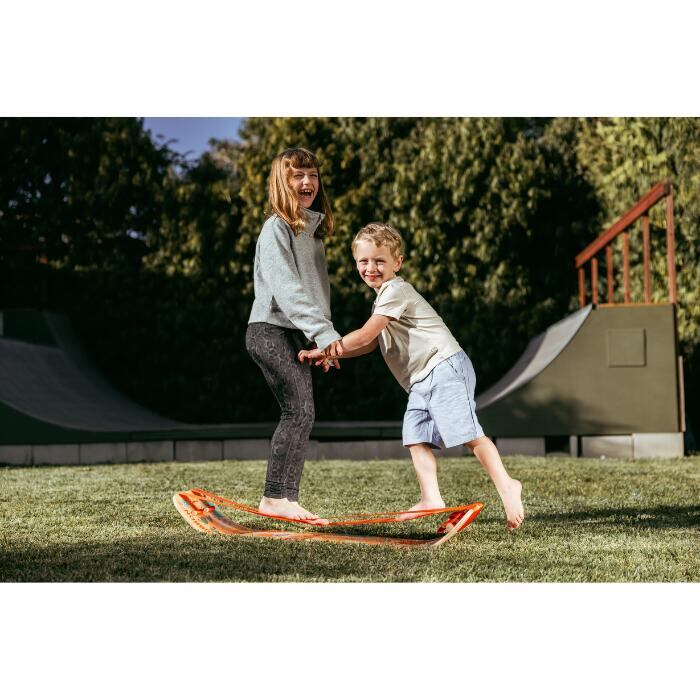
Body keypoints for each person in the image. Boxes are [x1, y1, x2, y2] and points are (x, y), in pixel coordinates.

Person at [299, 222, 524, 531]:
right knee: (415, 436)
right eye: (363, 261)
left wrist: (329, 347)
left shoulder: (396, 290)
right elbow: (370, 345)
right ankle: (431, 498)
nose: (371, 268)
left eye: (379, 261)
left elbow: (365, 335)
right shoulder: (382, 298)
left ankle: (508, 486)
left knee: (469, 435)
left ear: (397, 263)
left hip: (443, 368)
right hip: (420, 380)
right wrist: (331, 354)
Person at [246, 147, 343, 525]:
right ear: (281, 182)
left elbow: (315, 294)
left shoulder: (312, 234)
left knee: (304, 412)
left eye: (312, 175)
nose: (307, 182)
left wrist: (320, 341)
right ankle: (274, 497)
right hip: (269, 330)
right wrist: (325, 333)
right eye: (297, 175)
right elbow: (287, 289)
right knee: (297, 410)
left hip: (294, 335)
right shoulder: (276, 228)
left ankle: (285, 498)